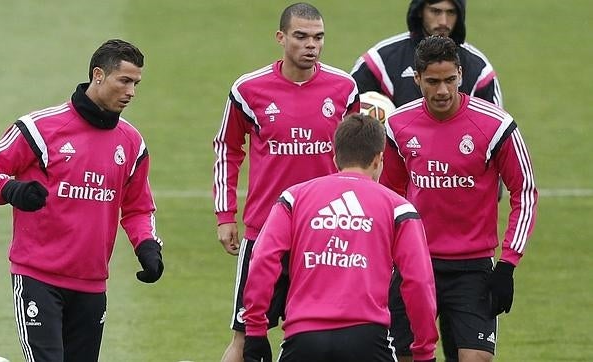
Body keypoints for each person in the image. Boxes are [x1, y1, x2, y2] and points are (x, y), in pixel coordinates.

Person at [0, 39, 164, 362]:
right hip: (38, 279)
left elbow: (138, 207)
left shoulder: (131, 142)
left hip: (92, 286)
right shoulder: (40, 128)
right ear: (98, 75)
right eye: (124, 81)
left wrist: (147, 245)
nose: (131, 92)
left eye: (136, 83)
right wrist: (10, 190)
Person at [212, 3, 360, 361]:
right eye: (301, 36)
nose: (311, 45)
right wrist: (226, 215)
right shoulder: (249, 89)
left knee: (317, 339)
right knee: (245, 339)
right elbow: (227, 148)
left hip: (326, 233)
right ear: (281, 38)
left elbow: (359, 162)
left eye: (318, 37)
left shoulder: (344, 88)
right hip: (265, 233)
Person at [380, 35, 538, 362]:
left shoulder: (496, 126)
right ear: (417, 77)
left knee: (475, 358)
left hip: (473, 271)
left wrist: (508, 264)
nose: (442, 91)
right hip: (414, 264)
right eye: (433, 81)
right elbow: (387, 196)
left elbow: (525, 191)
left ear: (461, 76)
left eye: (450, 80)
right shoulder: (398, 126)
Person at [242, 113, 438, 362]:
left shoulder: (294, 197)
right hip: (368, 340)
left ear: (334, 157)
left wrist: (256, 329)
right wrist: (424, 349)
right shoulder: (399, 208)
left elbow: (263, 259)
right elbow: (418, 281)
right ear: (379, 159)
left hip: (303, 339)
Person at [351, 0, 502, 108]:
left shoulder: (479, 70)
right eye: (436, 11)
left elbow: (497, 133)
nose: (443, 21)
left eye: (451, 12)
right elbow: (345, 112)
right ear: (420, 11)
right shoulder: (380, 60)